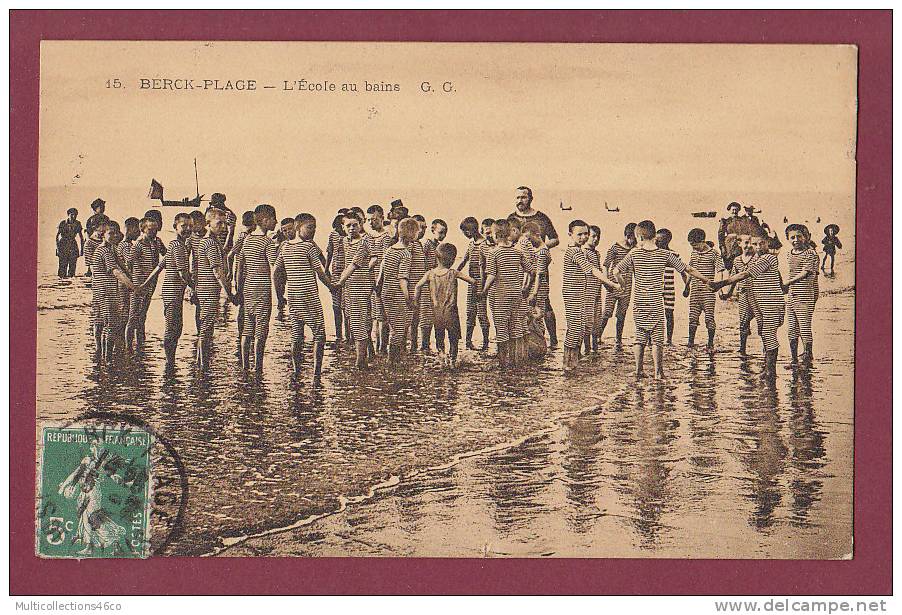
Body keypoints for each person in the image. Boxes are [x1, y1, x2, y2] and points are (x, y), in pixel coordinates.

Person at [614, 220, 712, 379]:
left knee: (640, 335)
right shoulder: (665, 254)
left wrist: (623, 285)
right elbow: (688, 269)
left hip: (639, 300)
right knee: (657, 337)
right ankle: (658, 373)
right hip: (655, 300)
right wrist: (707, 281)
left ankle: (639, 371)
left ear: (639, 237)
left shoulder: (634, 253)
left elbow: (616, 270)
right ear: (654, 236)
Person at [712, 235, 786, 381]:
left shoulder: (769, 258)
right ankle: (768, 369)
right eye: (754, 244)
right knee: (765, 333)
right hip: (761, 301)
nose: (757, 247)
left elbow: (746, 274)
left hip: (771, 301)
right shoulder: (755, 259)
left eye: (761, 243)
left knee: (768, 334)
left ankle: (770, 371)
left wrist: (720, 284)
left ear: (767, 244)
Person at [274, 213, 333, 380]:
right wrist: (332, 287)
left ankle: (296, 370)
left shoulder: (284, 246)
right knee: (319, 334)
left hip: (293, 295)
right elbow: (320, 272)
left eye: (315, 227)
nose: (313, 231)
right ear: (298, 227)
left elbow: (277, 271)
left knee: (297, 333)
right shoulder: (309, 247)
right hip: (309, 295)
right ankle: (316, 372)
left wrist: (280, 294)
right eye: (310, 227)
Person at [562, 220, 619, 373]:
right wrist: (612, 284)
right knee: (575, 329)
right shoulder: (574, 251)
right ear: (570, 235)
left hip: (580, 293)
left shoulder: (580, 250)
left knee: (579, 329)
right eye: (579, 234)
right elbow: (591, 270)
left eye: (585, 234)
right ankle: (568, 364)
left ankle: (571, 363)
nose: (583, 237)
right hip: (572, 293)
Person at [510, 186, 561, 346]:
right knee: (520, 302)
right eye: (517, 198)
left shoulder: (542, 218)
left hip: (539, 267)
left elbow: (555, 239)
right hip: (519, 270)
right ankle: (527, 339)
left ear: (530, 198)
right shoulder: (511, 217)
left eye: (523, 197)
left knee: (543, 302)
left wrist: (539, 247)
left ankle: (553, 339)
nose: (520, 201)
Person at [414, 242, 479, 368]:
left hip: (437, 312)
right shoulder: (453, 273)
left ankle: (441, 360)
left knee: (439, 337)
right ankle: (453, 361)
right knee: (453, 339)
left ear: (436, 258)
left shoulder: (430, 273)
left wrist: (416, 302)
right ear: (453, 260)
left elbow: (417, 286)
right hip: (451, 312)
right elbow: (473, 281)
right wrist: (477, 293)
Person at [236, 203, 279, 372]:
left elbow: (240, 267)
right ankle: (258, 367)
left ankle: (246, 366)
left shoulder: (247, 240)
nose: (276, 222)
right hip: (262, 289)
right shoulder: (267, 242)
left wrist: (239, 289)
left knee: (247, 328)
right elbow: (275, 265)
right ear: (266, 220)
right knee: (261, 330)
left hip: (247, 288)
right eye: (274, 219)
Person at [482, 219, 530, 367]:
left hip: (500, 295)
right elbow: (530, 270)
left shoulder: (493, 253)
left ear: (495, 235)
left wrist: (483, 291)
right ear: (509, 233)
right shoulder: (518, 251)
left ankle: (503, 364)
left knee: (501, 328)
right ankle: (518, 362)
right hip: (517, 294)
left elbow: (491, 276)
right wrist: (525, 287)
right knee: (516, 328)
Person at [194, 208, 238, 370]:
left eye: (225, 224)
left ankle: (202, 365)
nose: (224, 228)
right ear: (208, 224)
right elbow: (218, 272)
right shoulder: (210, 243)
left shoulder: (211, 242)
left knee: (206, 329)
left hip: (206, 290)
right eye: (219, 224)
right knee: (206, 330)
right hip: (208, 291)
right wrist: (230, 294)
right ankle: (203, 367)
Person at [90, 221, 140, 360]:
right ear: (103, 235)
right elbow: (116, 271)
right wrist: (134, 287)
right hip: (106, 292)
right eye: (110, 233)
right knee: (111, 324)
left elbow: (122, 266)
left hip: (99, 290)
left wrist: (131, 279)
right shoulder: (105, 251)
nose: (114, 236)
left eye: (116, 233)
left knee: (100, 322)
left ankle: (100, 352)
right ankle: (107, 357)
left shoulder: (111, 249)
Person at [336, 213, 378, 369]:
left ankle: (360, 361)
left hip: (361, 285)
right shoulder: (345, 241)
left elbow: (359, 262)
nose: (352, 228)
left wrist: (339, 282)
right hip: (349, 284)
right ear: (343, 227)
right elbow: (344, 263)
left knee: (358, 321)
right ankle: (367, 354)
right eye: (348, 225)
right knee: (355, 319)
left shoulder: (364, 242)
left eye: (355, 225)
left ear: (361, 225)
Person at [378, 217, 417, 363]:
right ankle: (392, 362)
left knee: (397, 325)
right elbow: (402, 278)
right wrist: (408, 299)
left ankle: (396, 358)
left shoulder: (389, 249)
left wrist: (378, 288)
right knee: (399, 329)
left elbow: (381, 272)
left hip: (386, 292)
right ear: (412, 234)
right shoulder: (406, 253)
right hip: (397, 294)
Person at [161, 212, 194, 368]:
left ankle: (170, 361)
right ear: (175, 227)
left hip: (171, 290)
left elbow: (161, 265)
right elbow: (183, 273)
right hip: (173, 290)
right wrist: (195, 286)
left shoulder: (176, 244)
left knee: (175, 326)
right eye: (183, 226)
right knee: (173, 327)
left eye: (190, 226)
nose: (187, 229)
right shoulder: (178, 246)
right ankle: (170, 362)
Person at [784, 224, 820, 366]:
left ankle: (807, 354)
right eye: (792, 237)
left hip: (805, 294)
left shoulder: (810, 253)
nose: (796, 240)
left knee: (804, 327)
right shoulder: (789, 253)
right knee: (791, 327)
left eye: (799, 236)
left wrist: (787, 283)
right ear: (788, 238)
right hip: (792, 295)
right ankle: (793, 357)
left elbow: (805, 273)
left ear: (806, 237)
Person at [598, 222, 637, 348]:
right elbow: (606, 264)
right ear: (627, 236)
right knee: (607, 312)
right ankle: (598, 335)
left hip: (627, 286)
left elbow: (636, 269)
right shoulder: (615, 247)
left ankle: (618, 340)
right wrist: (605, 281)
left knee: (622, 314)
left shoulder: (635, 250)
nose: (634, 242)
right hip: (613, 286)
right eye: (632, 239)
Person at [125, 217, 162, 350]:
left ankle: (141, 344)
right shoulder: (138, 245)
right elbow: (128, 264)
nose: (154, 232)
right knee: (133, 316)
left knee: (143, 315)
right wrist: (131, 284)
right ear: (142, 229)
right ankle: (128, 347)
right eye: (151, 230)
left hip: (150, 284)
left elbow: (165, 255)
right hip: (138, 285)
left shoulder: (156, 242)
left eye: (156, 230)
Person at [684, 228, 724, 349]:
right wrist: (687, 286)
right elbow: (691, 270)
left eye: (695, 245)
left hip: (708, 292)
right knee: (692, 318)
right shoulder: (694, 253)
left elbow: (720, 270)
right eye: (691, 245)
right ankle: (690, 342)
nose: (693, 248)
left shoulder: (714, 253)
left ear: (702, 241)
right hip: (695, 291)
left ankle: (710, 343)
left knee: (709, 318)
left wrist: (720, 287)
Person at [720, 234, 759, 355]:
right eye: (746, 243)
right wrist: (728, 293)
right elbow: (733, 279)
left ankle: (766, 349)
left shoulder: (757, 259)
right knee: (743, 322)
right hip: (743, 295)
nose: (749, 246)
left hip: (757, 295)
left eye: (751, 243)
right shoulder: (737, 260)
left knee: (761, 322)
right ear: (739, 244)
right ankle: (742, 349)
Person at [457, 217, 491, 351]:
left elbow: (487, 267)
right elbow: (464, 260)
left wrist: (482, 287)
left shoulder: (484, 245)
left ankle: (486, 343)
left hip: (481, 284)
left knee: (482, 313)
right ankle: (468, 342)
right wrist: (454, 272)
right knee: (470, 312)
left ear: (469, 231)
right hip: (472, 283)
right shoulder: (472, 244)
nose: (464, 235)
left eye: (465, 231)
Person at [366, 204, 392, 352]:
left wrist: (379, 280)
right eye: (369, 220)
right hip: (370, 278)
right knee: (374, 315)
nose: (371, 222)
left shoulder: (386, 236)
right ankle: (376, 345)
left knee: (382, 316)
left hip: (381, 279)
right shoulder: (368, 236)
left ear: (382, 218)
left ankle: (382, 347)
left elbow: (384, 260)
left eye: (375, 219)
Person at [420, 218, 448, 350]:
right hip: (428, 284)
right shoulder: (426, 244)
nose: (443, 235)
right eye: (440, 232)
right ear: (432, 231)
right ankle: (424, 345)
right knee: (426, 316)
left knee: (439, 315)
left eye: (445, 233)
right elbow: (423, 264)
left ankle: (439, 346)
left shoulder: (440, 247)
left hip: (438, 284)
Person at [654, 228, 685, 345]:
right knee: (654, 313)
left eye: (659, 240)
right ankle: (651, 340)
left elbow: (682, 271)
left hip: (669, 287)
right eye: (656, 240)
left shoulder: (673, 254)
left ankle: (669, 340)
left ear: (667, 241)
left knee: (669, 313)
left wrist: (687, 287)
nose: (656, 242)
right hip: (655, 287)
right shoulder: (653, 253)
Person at [523, 221, 550, 341]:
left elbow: (539, 274)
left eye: (530, 239)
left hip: (539, 288)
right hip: (537, 287)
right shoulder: (538, 250)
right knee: (533, 313)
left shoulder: (542, 252)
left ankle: (539, 340)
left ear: (538, 234)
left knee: (537, 315)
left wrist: (533, 293)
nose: (529, 242)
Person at [325, 213, 349, 342]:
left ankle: (348, 335)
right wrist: (326, 268)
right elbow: (330, 252)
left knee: (345, 305)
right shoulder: (333, 235)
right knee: (336, 305)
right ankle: (339, 334)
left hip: (347, 271)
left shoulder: (350, 236)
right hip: (335, 271)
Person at [408, 216, 428, 352]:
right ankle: (410, 346)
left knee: (418, 318)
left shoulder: (419, 244)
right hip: (411, 287)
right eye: (421, 228)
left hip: (420, 286)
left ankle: (415, 345)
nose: (423, 231)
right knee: (411, 319)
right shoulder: (410, 245)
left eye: (425, 228)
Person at [582, 225, 603, 354]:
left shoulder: (596, 253)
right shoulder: (584, 252)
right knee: (587, 322)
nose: (596, 239)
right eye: (593, 236)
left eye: (598, 237)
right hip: (587, 293)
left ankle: (595, 349)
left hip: (597, 293)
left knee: (597, 322)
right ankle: (587, 349)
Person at [273, 217, 296, 320]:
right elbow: (276, 262)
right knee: (278, 280)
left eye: (290, 229)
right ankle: (280, 302)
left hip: (296, 273)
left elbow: (320, 256)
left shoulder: (306, 241)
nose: (288, 232)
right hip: (283, 269)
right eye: (284, 231)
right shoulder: (283, 243)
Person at [55, 208, 84, 278]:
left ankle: (70, 286)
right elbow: (57, 236)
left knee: (72, 268)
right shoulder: (63, 223)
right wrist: (58, 248)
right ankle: (61, 286)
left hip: (73, 245)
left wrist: (82, 250)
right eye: (72, 215)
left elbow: (81, 237)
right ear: (68, 215)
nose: (74, 216)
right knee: (62, 268)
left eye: (75, 215)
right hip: (63, 244)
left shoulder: (78, 224)